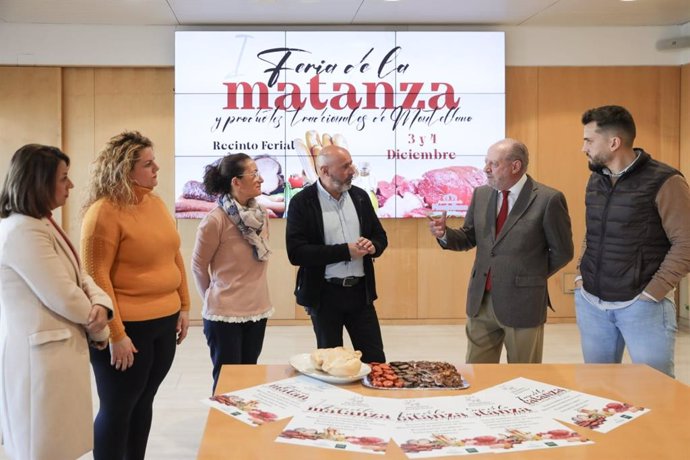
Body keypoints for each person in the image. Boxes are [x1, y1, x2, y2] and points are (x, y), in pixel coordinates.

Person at [80, 131, 191, 460]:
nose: (157, 168)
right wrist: (116, 334)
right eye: (148, 163)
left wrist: (184, 306)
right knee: (118, 408)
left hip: (164, 322)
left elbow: (175, 255)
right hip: (128, 328)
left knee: (144, 401)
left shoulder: (154, 202)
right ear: (124, 169)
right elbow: (96, 276)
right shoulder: (103, 212)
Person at [0, 144, 112, 460]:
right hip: (40, 362)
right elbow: (64, 295)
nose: (70, 185)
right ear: (39, 181)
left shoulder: (41, 222)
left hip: (55, 354)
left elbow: (81, 277)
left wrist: (101, 305)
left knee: (57, 447)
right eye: (64, 178)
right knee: (43, 448)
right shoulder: (22, 230)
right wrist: (101, 329)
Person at [429, 138, 573, 364]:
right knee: (478, 373)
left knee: (525, 377)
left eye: (493, 164)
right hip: (481, 301)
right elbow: (469, 237)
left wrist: (529, 276)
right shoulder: (481, 194)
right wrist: (444, 234)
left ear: (515, 166)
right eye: (486, 162)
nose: (485, 169)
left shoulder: (548, 199)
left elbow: (562, 251)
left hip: (523, 302)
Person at [575, 105, 690, 378]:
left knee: (657, 392)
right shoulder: (596, 180)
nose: (583, 148)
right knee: (597, 391)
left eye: (589, 140)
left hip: (642, 306)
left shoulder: (666, 181)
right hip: (592, 302)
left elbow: (686, 243)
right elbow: (593, 232)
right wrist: (581, 275)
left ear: (614, 142)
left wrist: (653, 293)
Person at [286, 142, 388, 364]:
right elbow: (297, 253)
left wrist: (374, 247)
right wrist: (345, 251)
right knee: (331, 365)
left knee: (376, 361)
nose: (353, 171)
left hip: (361, 294)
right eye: (345, 166)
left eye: (351, 164)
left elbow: (380, 237)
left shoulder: (360, 197)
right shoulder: (302, 203)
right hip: (324, 296)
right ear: (324, 171)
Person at [191, 153, 274, 393]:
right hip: (224, 315)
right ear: (236, 182)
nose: (260, 179)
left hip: (258, 309)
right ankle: (223, 429)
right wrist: (211, 297)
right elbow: (198, 266)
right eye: (254, 173)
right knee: (227, 382)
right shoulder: (214, 220)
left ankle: (244, 429)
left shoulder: (261, 216)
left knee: (249, 379)